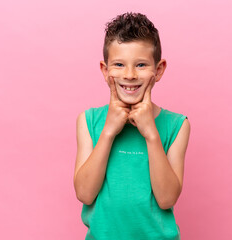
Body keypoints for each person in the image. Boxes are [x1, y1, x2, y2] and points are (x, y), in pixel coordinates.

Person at [73, 12, 191, 240]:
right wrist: (108, 132)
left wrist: (151, 133)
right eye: (118, 64)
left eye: (140, 65)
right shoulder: (88, 121)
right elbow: (85, 194)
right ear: (105, 70)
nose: (129, 75)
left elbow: (166, 199)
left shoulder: (177, 125)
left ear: (158, 70)